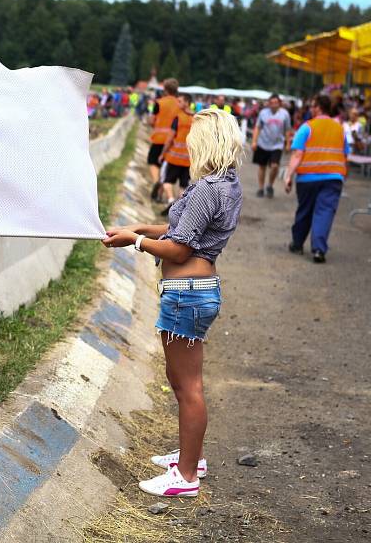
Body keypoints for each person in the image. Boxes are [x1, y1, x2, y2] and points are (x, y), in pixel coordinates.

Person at [103, 108, 243, 497]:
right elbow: (180, 230)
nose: (186, 145)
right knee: (181, 381)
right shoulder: (227, 184)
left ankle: (186, 477)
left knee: (188, 385)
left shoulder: (205, 189)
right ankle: (189, 458)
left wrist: (132, 242)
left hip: (187, 294)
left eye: (192, 139)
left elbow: (178, 249)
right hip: (196, 291)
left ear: (206, 142)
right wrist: (139, 228)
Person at [284, 95, 350, 263]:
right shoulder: (340, 129)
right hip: (334, 178)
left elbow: (298, 154)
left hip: (308, 178)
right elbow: (346, 155)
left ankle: (297, 244)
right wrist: (343, 174)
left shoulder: (307, 127)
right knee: (325, 212)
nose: (310, 109)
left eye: (312, 106)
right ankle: (319, 250)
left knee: (305, 210)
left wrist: (288, 176)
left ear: (318, 107)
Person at [159, 93, 194, 215]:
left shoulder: (178, 117)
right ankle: (180, 208)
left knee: (167, 181)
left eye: (180, 101)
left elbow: (169, 139)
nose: (178, 104)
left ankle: (170, 200)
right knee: (183, 185)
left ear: (187, 102)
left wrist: (162, 153)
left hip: (174, 157)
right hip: (188, 159)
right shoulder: (196, 119)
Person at [251, 93, 291, 198]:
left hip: (277, 145)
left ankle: (270, 185)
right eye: (271, 103)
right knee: (262, 166)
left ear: (280, 103)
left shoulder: (285, 114)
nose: (274, 105)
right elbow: (258, 127)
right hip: (263, 143)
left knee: (275, 166)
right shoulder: (263, 113)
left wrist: (288, 143)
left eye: (276, 103)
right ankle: (261, 188)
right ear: (268, 104)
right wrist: (254, 141)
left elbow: (287, 130)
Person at [148, 78, 180, 201]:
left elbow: (151, 120)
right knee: (165, 168)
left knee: (153, 162)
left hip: (158, 139)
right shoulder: (179, 103)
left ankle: (157, 182)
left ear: (165, 90)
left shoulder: (158, 103)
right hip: (172, 141)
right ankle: (160, 195)